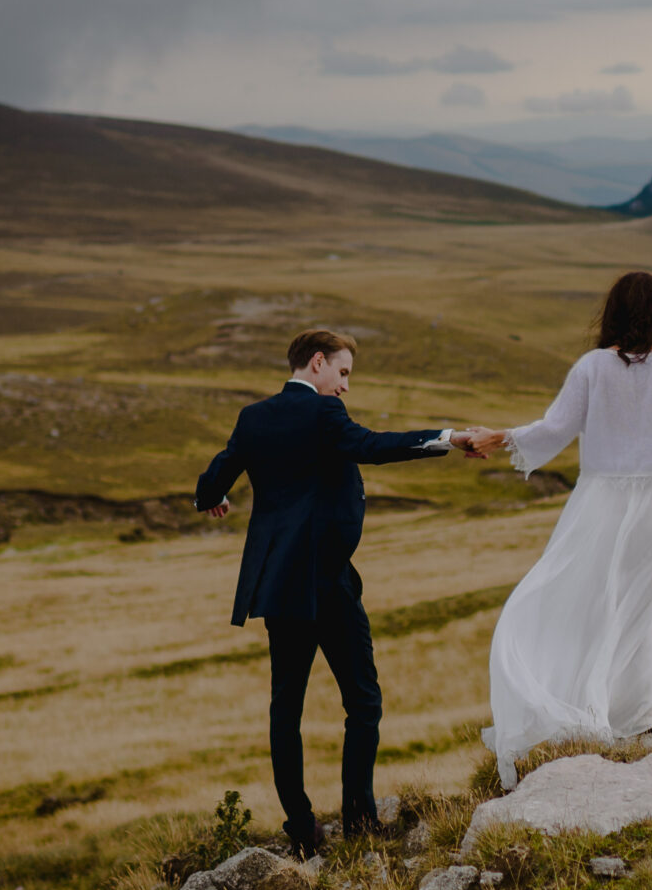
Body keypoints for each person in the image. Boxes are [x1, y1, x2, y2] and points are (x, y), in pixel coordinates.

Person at [194, 328, 473, 857]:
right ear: (317, 363)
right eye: (342, 372)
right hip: (327, 584)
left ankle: (302, 828)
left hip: (279, 588)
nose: (344, 386)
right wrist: (449, 437)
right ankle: (361, 821)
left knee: (286, 708)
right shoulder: (324, 414)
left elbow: (216, 476)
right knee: (363, 702)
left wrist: (213, 498)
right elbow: (372, 447)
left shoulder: (254, 418)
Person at [462, 272, 652, 788]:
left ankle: (586, 712)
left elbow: (556, 429)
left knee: (576, 601)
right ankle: (636, 718)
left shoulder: (593, 368)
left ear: (614, 312)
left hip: (599, 500)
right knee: (642, 607)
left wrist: (503, 437)